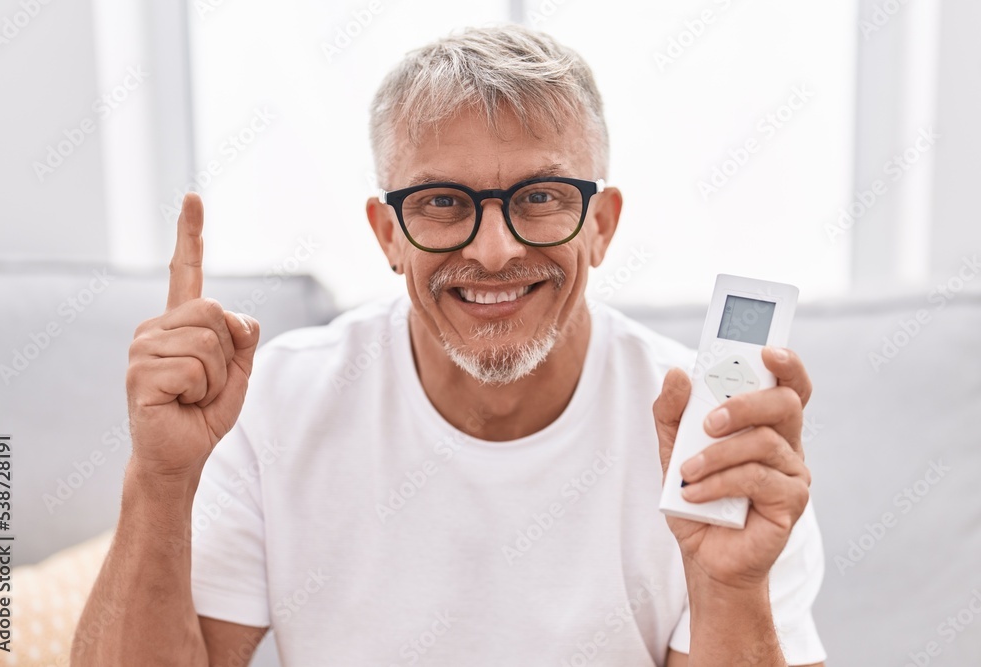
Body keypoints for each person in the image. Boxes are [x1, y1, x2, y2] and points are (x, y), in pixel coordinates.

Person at [73, 24, 826, 666]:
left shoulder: (716, 444)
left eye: (539, 197)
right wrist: (159, 480)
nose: (494, 251)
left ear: (600, 225)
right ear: (387, 234)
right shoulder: (274, 407)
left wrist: (730, 588)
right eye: (441, 203)